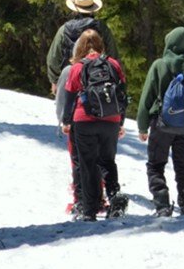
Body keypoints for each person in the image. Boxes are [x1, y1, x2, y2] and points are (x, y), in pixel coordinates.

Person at [45, 0, 120, 212]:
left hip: (73, 84)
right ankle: (104, 194)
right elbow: (114, 57)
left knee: (78, 152)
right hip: (102, 98)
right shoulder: (102, 30)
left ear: (74, 8)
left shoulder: (64, 30)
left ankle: (83, 197)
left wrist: (54, 81)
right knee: (103, 153)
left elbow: (53, 59)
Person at [54, 30, 130, 221]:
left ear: (79, 47)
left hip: (84, 120)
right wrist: (120, 121)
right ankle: (114, 197)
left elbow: (70, 97)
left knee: (87, 164)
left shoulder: (77, 68)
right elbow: (122, 95)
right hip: (110, 119)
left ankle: (89, 210)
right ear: (100, 44)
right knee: (107, 161)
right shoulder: (113, 64)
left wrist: (66, 121)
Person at [136, 27, 184, 217]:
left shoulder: (159, 65)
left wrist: (142, 125)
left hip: (160, 125)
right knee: (183, 166)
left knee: (155, 165)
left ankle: (162, 205)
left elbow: (147, 97)